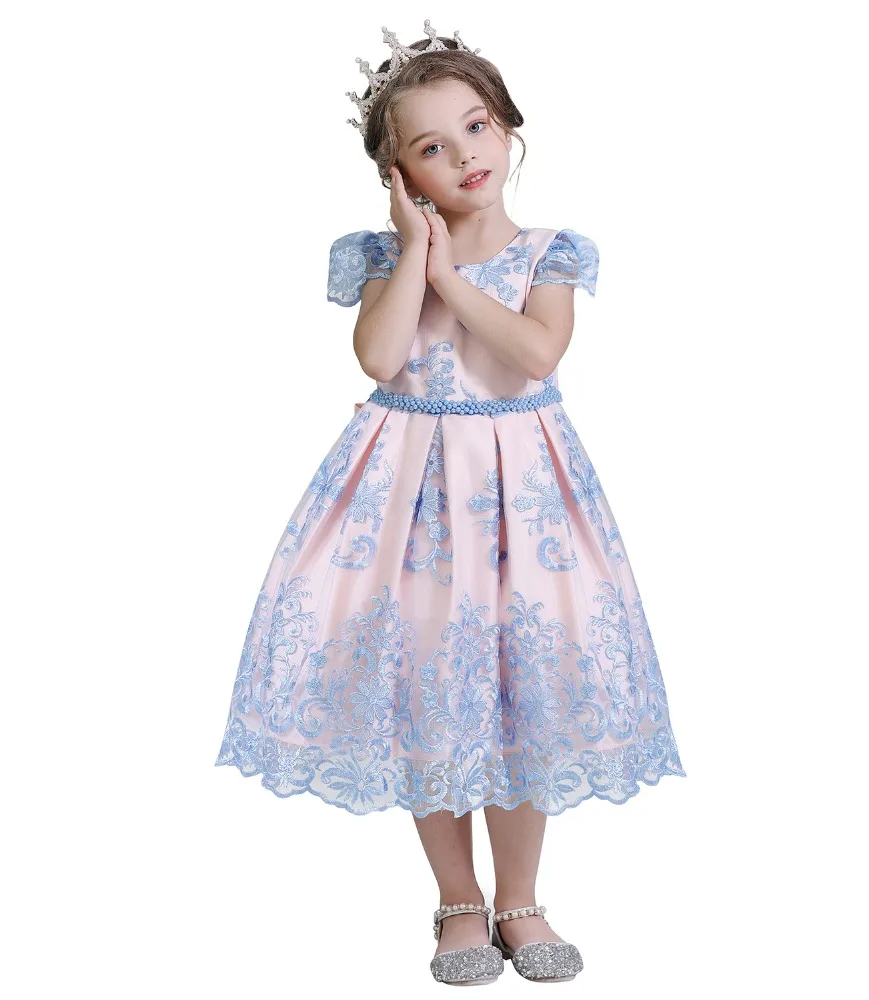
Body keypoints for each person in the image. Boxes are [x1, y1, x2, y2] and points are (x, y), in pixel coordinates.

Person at [214, 19, 687, 986]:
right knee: (431, 684)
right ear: (397, 176)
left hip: (526, 504)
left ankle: (521, 898)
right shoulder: (384, 257)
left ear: (508, 126)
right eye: (430, 147)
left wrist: (448, 279)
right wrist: (414, 253)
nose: (465, 154)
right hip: (413, 506)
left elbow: (534, 355)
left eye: (476, 127)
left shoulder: (549, 253)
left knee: (526, 693)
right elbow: (381, 357)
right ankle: (458, 899)